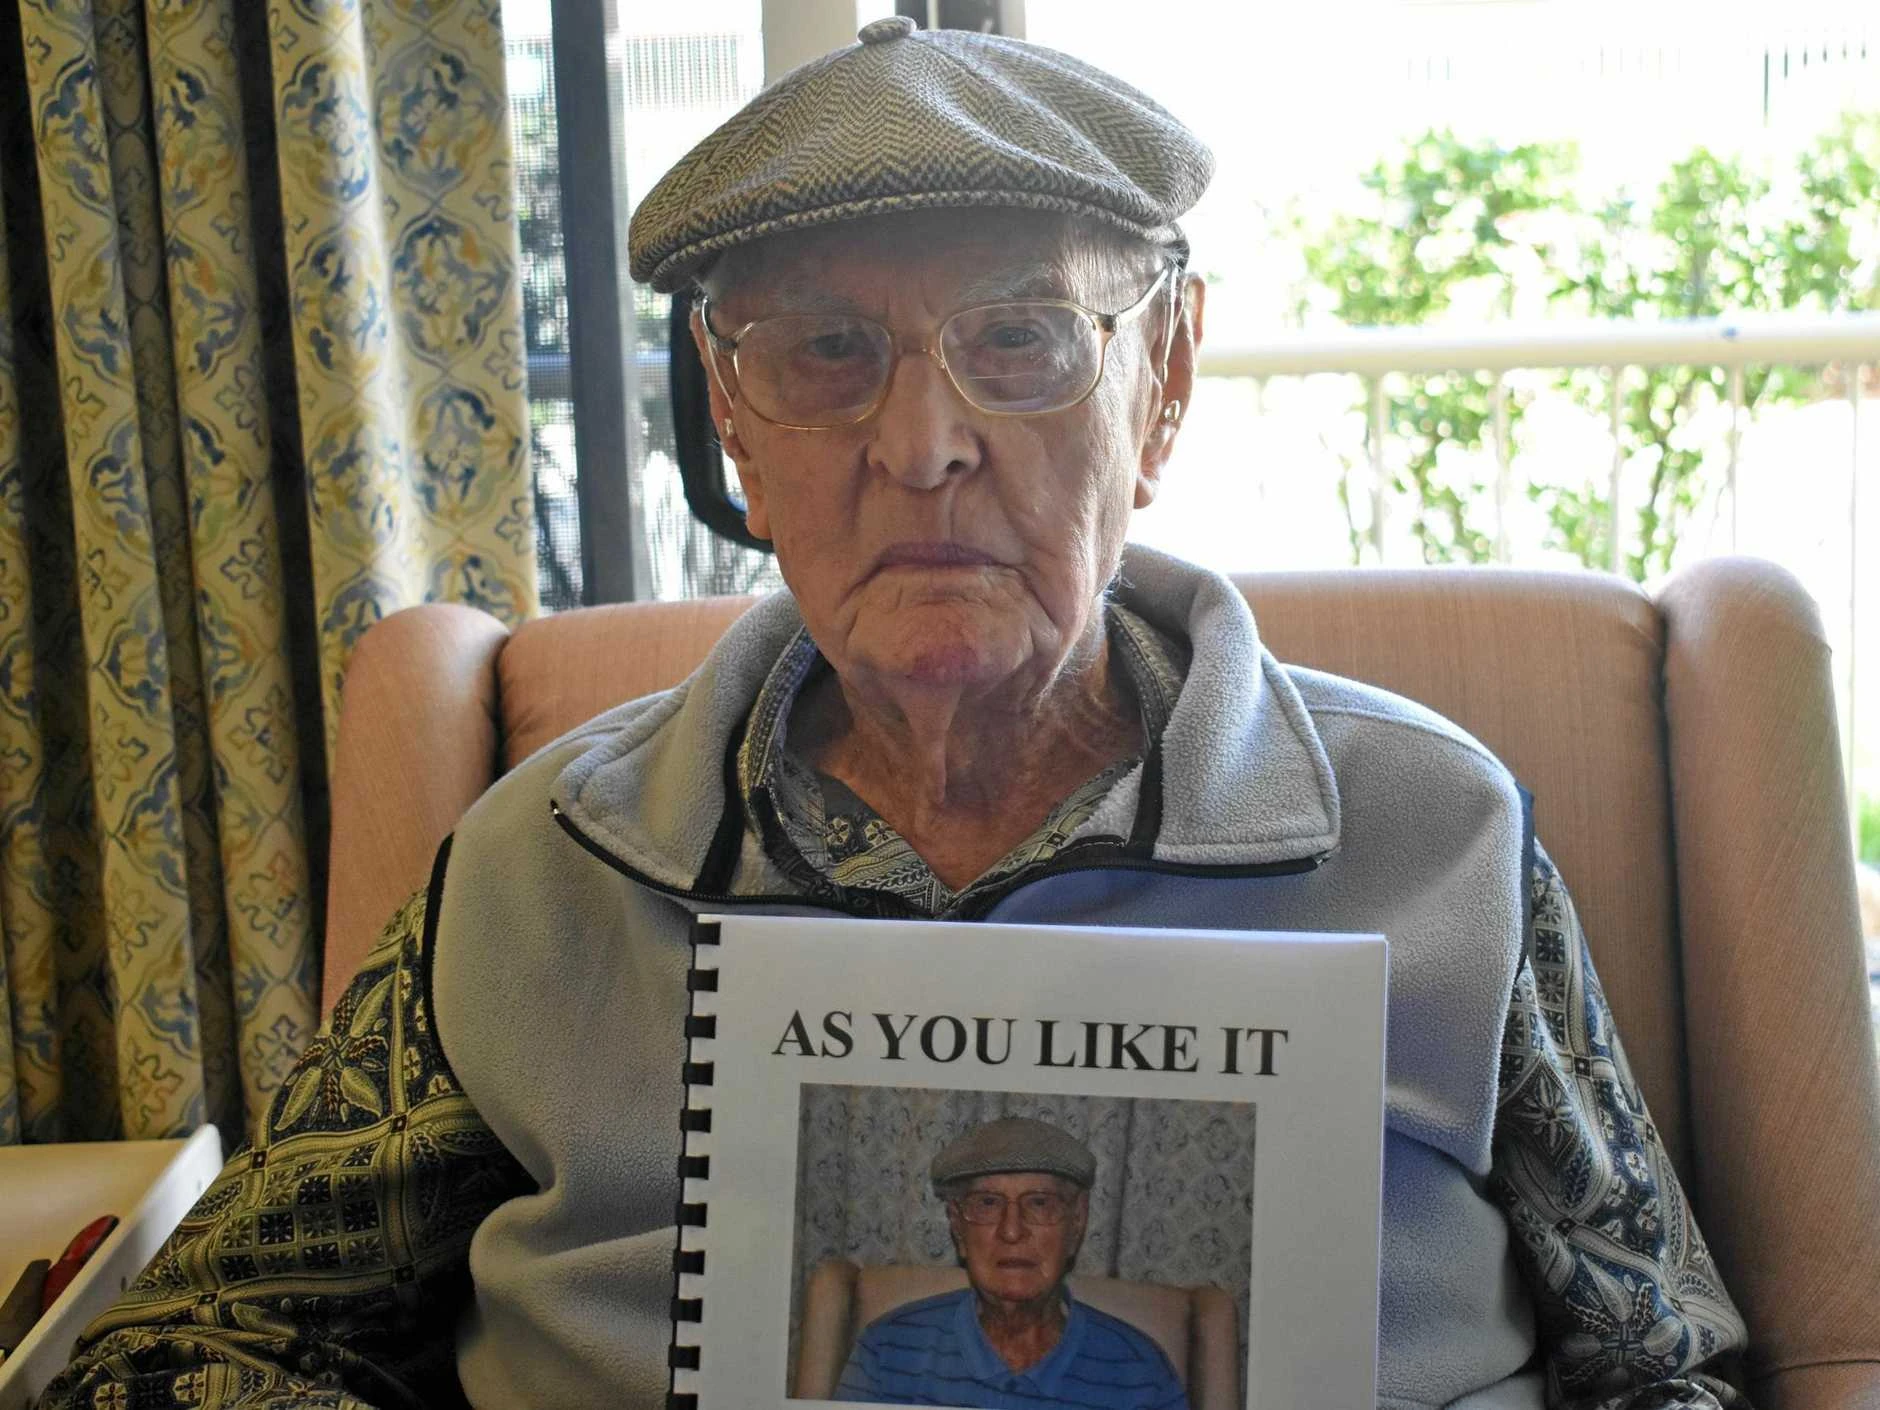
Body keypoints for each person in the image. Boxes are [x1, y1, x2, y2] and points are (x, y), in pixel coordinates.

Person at [42, 17, 1751, 1410]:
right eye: (825, 351)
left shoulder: (1437, 835)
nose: (923, 445)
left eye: (1020, 340)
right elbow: (194, 1347)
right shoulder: (541, 862)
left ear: (1163, 382)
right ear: (732, 420)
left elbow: (1663, 1363)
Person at [833, 1117, 1187, 1410]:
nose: (1012, 1231)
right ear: (957, 1226)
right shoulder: (887, 1350)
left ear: (1077, 1223)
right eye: (988, 1203)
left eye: (1039, 1203)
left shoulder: (1142, 1375)